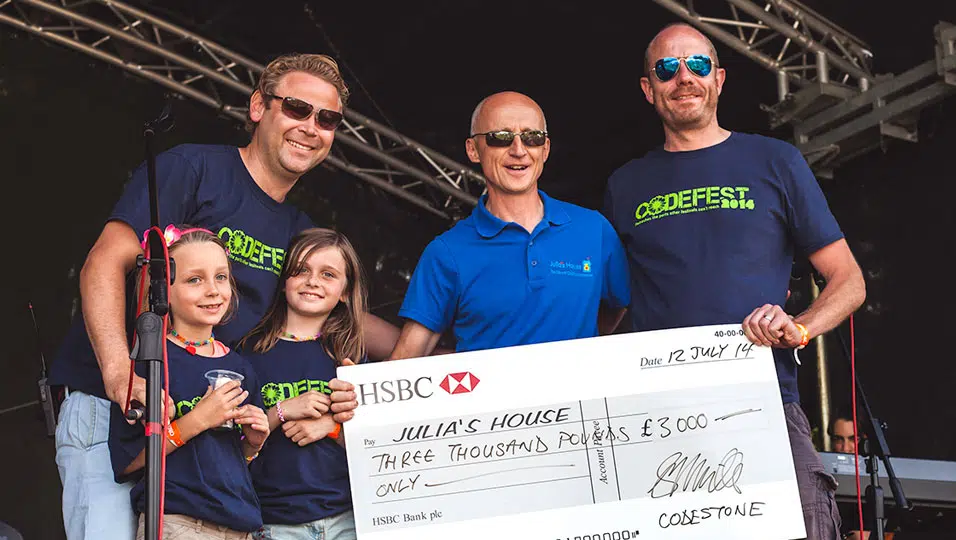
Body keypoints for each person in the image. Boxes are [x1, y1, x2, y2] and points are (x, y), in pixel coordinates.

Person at [50, 53, 398, 539]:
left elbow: (346, 314)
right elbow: (104, 262)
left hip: (203, 441)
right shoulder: (193, 167)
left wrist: (444, 359)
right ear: (259, 106)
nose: (310, 127)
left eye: (328, 118)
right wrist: (119, 372)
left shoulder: (297, 231)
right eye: (297, 108)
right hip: (117, 414)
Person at [601, 23, 867, 540]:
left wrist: (800, 327)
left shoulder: (775, 160)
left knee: (804, 524)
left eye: (697, 65)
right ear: (647, 88)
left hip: (765, 399)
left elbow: (849, 280)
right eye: (667, 68)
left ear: (719, 79)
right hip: (660, 414)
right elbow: (609, 308)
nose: (684, 78)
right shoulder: (624, 185)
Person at [327, 91, 631, 421]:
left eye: (531, 137)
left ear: (546, 148)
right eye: (500, 138)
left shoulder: (593, 230)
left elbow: (614, 310)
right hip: (488, 440)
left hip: (580, 426)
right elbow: (408, 359)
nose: (518, 150)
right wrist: (362, 397)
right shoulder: (446, 252)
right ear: (473, 149)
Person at [109, 226, 269, 539]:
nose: (213, 290)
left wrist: (252, 443)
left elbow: (231, 461)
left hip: (241, 527)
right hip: (178, 522)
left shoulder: (241, 367)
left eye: (221, 277)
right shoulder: (150, 360)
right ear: (164, 290)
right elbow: (128, 462)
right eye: (195, 279)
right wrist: (196, 420)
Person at [238, 228, 365, 540]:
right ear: (284, 282)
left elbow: (378, 447)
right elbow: (233, 449)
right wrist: (282, 411)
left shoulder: (350, 361)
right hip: (274, 521)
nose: (313, 281)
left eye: (328, 274)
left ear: (346, 291)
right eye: (301, 271)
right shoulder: (248, 355)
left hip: (347, 517)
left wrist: (330, 426)